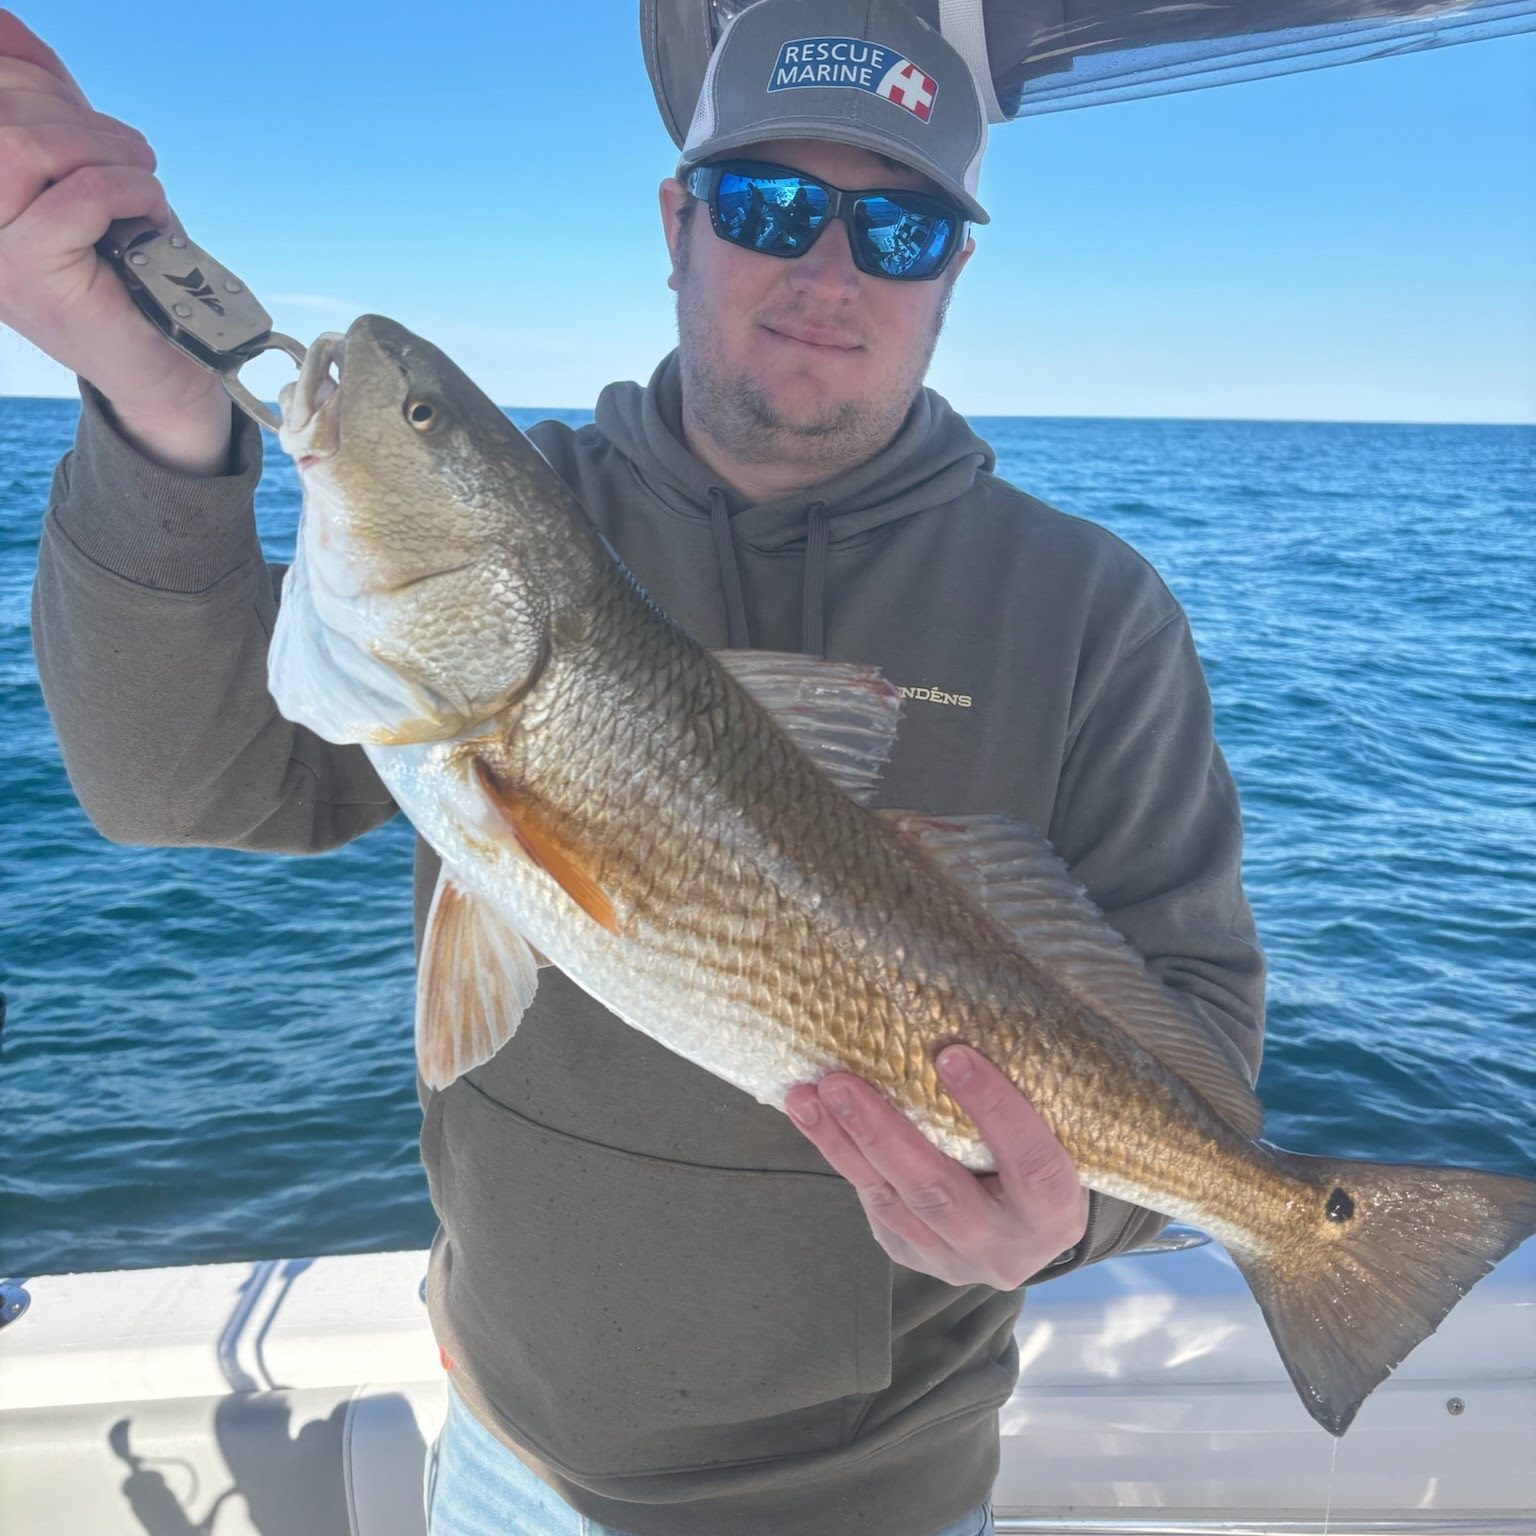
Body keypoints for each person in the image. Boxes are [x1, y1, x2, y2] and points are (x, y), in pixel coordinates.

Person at [5, 0, 1265, 1532]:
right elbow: (174, 784)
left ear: (953, 277)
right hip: (506, 1465)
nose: (827, 270)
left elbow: (1199, 1050)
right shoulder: (526, 513)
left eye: (902, 230)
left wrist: (1064, 1223)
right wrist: (157, 406)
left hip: (884, 1500)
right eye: (769, 206)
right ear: (679, 222)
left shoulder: (1092, 608)